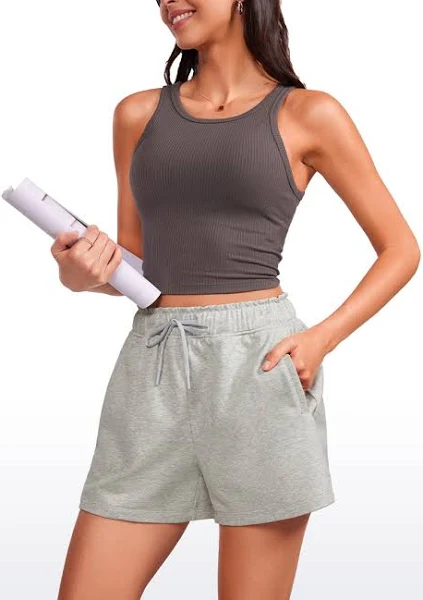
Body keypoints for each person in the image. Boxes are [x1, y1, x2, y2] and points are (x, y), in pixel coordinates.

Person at [53, 1, 420, 598]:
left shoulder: (310, 113)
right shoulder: (136, 114)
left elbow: (400, 248)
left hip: (260, 367)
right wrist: (79, 275)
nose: (168, 2)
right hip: (152, 366)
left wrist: (321, 339)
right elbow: (136, 264)